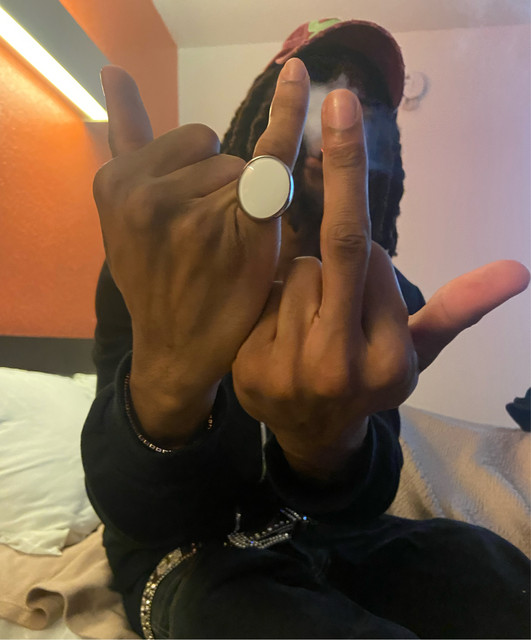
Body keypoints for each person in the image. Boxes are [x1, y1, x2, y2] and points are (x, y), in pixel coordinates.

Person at [82, 18, 530, 639]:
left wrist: (329, 446)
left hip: (322, 534)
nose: (334, 126)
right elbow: (128, 504)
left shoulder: (383, 295)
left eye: (362, 110)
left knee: (487, 568)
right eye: (318, 93)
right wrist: (169, 383)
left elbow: (366, 497)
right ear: (264, 117)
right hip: (185, 554)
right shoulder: (172, 262)